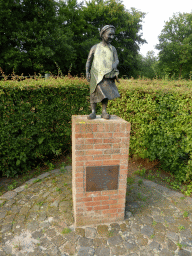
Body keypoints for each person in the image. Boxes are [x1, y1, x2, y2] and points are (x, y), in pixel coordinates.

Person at [86, 25, 120, 120]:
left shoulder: (113, 49)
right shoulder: (95, 47)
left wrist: (115, 64)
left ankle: (104, 111)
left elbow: (117, 60)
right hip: (95, 73)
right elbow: (89, 60)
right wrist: (87, 72)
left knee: (105, 92)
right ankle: (93, 112)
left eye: (113, 35)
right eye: (109, 34)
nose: (111, 37)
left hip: (107, 73)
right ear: (103, 34)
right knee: (93, 92)